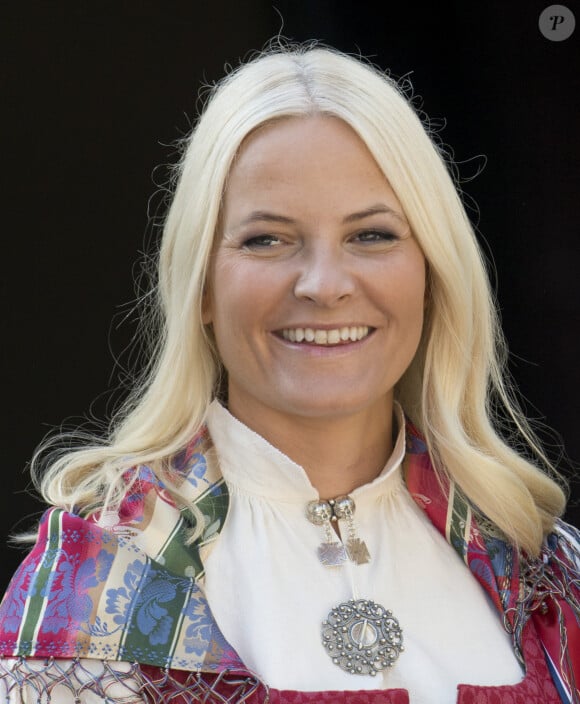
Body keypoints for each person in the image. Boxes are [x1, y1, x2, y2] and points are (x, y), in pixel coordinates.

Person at [0, 42, 578, 704]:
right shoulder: (97, 579)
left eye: (373, 235)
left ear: (431, 274)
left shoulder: (543, 571)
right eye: (266, 239)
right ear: (202, 287)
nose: (325, 286)